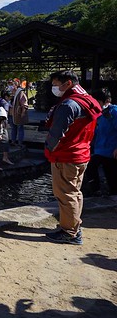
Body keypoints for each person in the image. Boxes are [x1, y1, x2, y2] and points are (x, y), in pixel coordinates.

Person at [44, 70, 101, 245]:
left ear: (67, 83)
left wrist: (48, 149)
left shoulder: (69, 104)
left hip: (67, 155)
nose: (54, 88)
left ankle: (69, 232)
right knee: (75, 193)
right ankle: (73, 226)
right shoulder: (87, 100)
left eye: (55, 84)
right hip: (81, 153)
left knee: (65, 194)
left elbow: (56, 133)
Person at [83, 88, 117, 195]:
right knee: (91, 167)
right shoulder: (100, 113)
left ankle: (110, 194)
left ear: (106, 100)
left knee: (110, 174)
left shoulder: (114, 112)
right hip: (100, 149)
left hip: (111, 150)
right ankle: (96, 190)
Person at [10, 80, 29, 146]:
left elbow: (24, 104)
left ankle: (20, 143)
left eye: (13, 85)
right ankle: (13, 141)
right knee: (13, 128)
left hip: (18, 114)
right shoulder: (13, 93)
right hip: (12, 114)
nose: (11, 87)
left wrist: (23, 113)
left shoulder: (20, 93)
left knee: (20, 128)